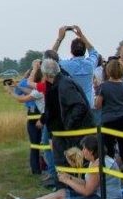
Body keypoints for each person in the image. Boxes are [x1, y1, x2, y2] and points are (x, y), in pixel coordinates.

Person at [5, 134, 122, 199]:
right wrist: (70, 178)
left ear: (91, 151)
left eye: (84, 148)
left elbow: (87, 191)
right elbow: (87, 183)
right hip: (98, 195)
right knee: (62, 192)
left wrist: (67, 181)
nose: (82, 151)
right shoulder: (95, 160)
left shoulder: (99, 164)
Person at [38, 57, 93, 188]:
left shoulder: (64, 84)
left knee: (73, 164)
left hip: (74, 133)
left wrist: (68, 125)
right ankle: (64, 189)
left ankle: (68, 192)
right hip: (64, 133)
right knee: (67, 164)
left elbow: (79, 106)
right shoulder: (58, 84)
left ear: (46, 74)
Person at [5, 60, 45, 177]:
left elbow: (30, 94)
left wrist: (11, 92)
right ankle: (36, 169)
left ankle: (44, 168)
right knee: (34, 144)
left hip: (41, 116)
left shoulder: (41, 86)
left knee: (44, 145)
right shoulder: (29, 83)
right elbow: (29, 93)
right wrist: (17, 86)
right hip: (32, 115)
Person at [95, 57, 123, 177]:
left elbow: (98, 105)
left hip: (108, 120)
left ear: (108, 71)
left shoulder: (104, 86)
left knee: (108, 150)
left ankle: (109, 175)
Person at [52, 25, 100, 107]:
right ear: (85, 51)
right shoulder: (90, 64)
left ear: (71, 51)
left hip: (73, 105)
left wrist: (59, 39)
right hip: (88, 106)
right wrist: (81, 35)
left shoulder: (65, 65)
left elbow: (51, 56)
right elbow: (94, 52)